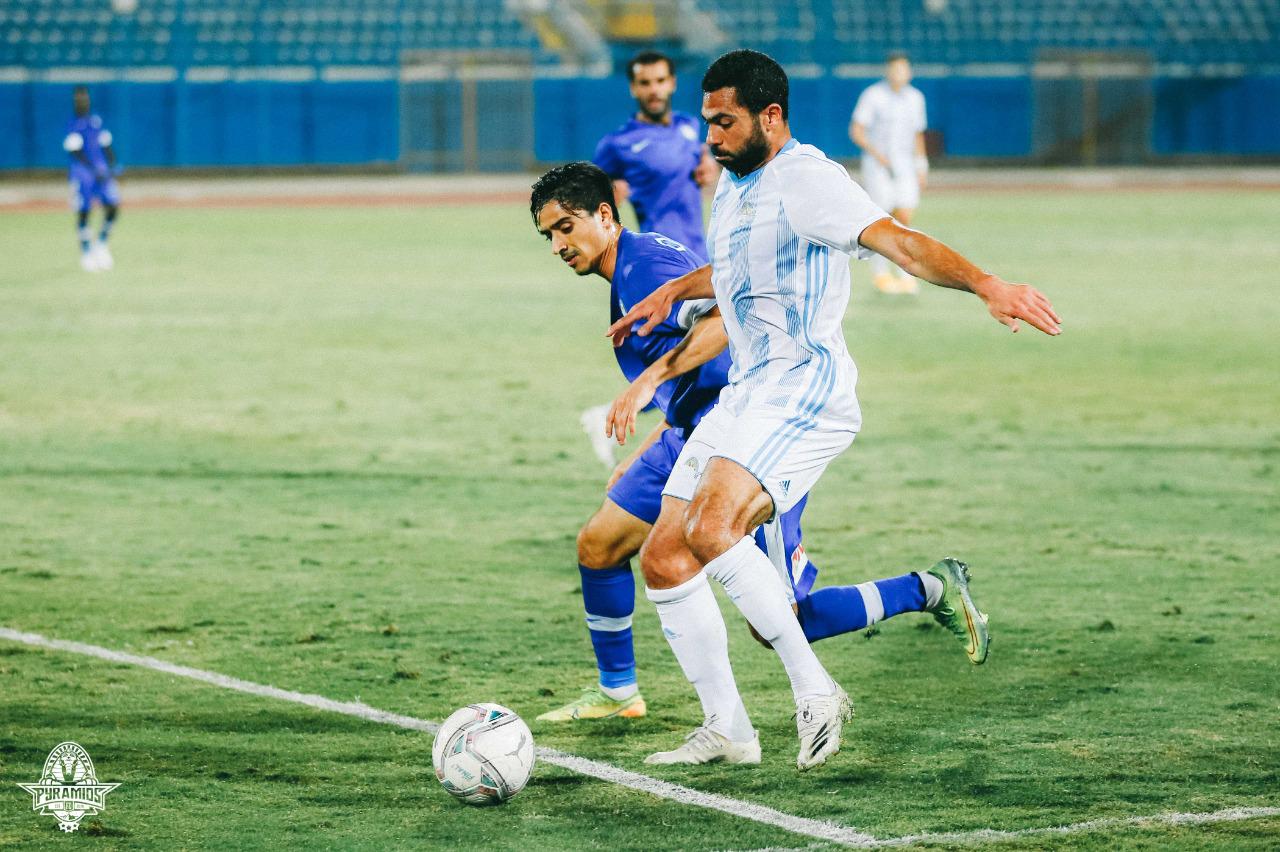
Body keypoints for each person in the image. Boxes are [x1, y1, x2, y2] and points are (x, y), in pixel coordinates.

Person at [607, 49, 1060, 770]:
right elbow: (738, 268)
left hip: (803, 391)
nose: (711, 139)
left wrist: (987, 284)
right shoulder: (736, 182)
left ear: (771, 116)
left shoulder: (808, 180)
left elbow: (902, 243)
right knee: (663, 557)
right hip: (748, 391)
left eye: (724, 123)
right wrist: (675, 291)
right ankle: (729, 730)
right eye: (708, 123)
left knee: (711, 526)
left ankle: (816, 692)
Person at [529, 163, 992, 749]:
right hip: (687, 432)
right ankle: (625, 692)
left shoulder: (645, 267)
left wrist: (648, 380)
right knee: (603, 545)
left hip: (746, 435)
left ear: (604, 215)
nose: (558, 245)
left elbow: (725, 320)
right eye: (548, 235)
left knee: (780, 619)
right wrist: (649, 442)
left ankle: (926, 588)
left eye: (565, 227)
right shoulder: (630, 265)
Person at [593, 50, 719, 260]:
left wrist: (708, 163)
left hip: (700, 256)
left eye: (660, 81)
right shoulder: (618, 143)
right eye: (645, 83)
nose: (654, 90)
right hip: (659, 258)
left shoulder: (689, 124)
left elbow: (699, 157)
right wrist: (606, 195)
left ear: (672, 83)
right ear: (633, 88)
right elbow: (588, 193)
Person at [850, 53, 928, 295]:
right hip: (878, 167)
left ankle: (906, 272)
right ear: (887, 71)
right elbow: (857, 130)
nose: (899, 74)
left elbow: (917, 134)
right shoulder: (873, 96)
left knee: (904, 216)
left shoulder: (915, 98)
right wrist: (877, 154)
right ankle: (881, 273)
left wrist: (922, 165)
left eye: (903, 69)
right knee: (882, 219)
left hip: (905, 165)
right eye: (895, 69)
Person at [64, 86, 121, 272]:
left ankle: (102, 244)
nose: (83, 101)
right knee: (84, 212)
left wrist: (112, 165)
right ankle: (86, 252)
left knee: (113, 206)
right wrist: (93, 169)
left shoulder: (96, 121)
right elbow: (75, 151)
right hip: (83, 174)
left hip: (102, 173)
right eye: (79, 99)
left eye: (85, 98)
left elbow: (107, 145)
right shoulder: (73, 125)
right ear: (74, 101)